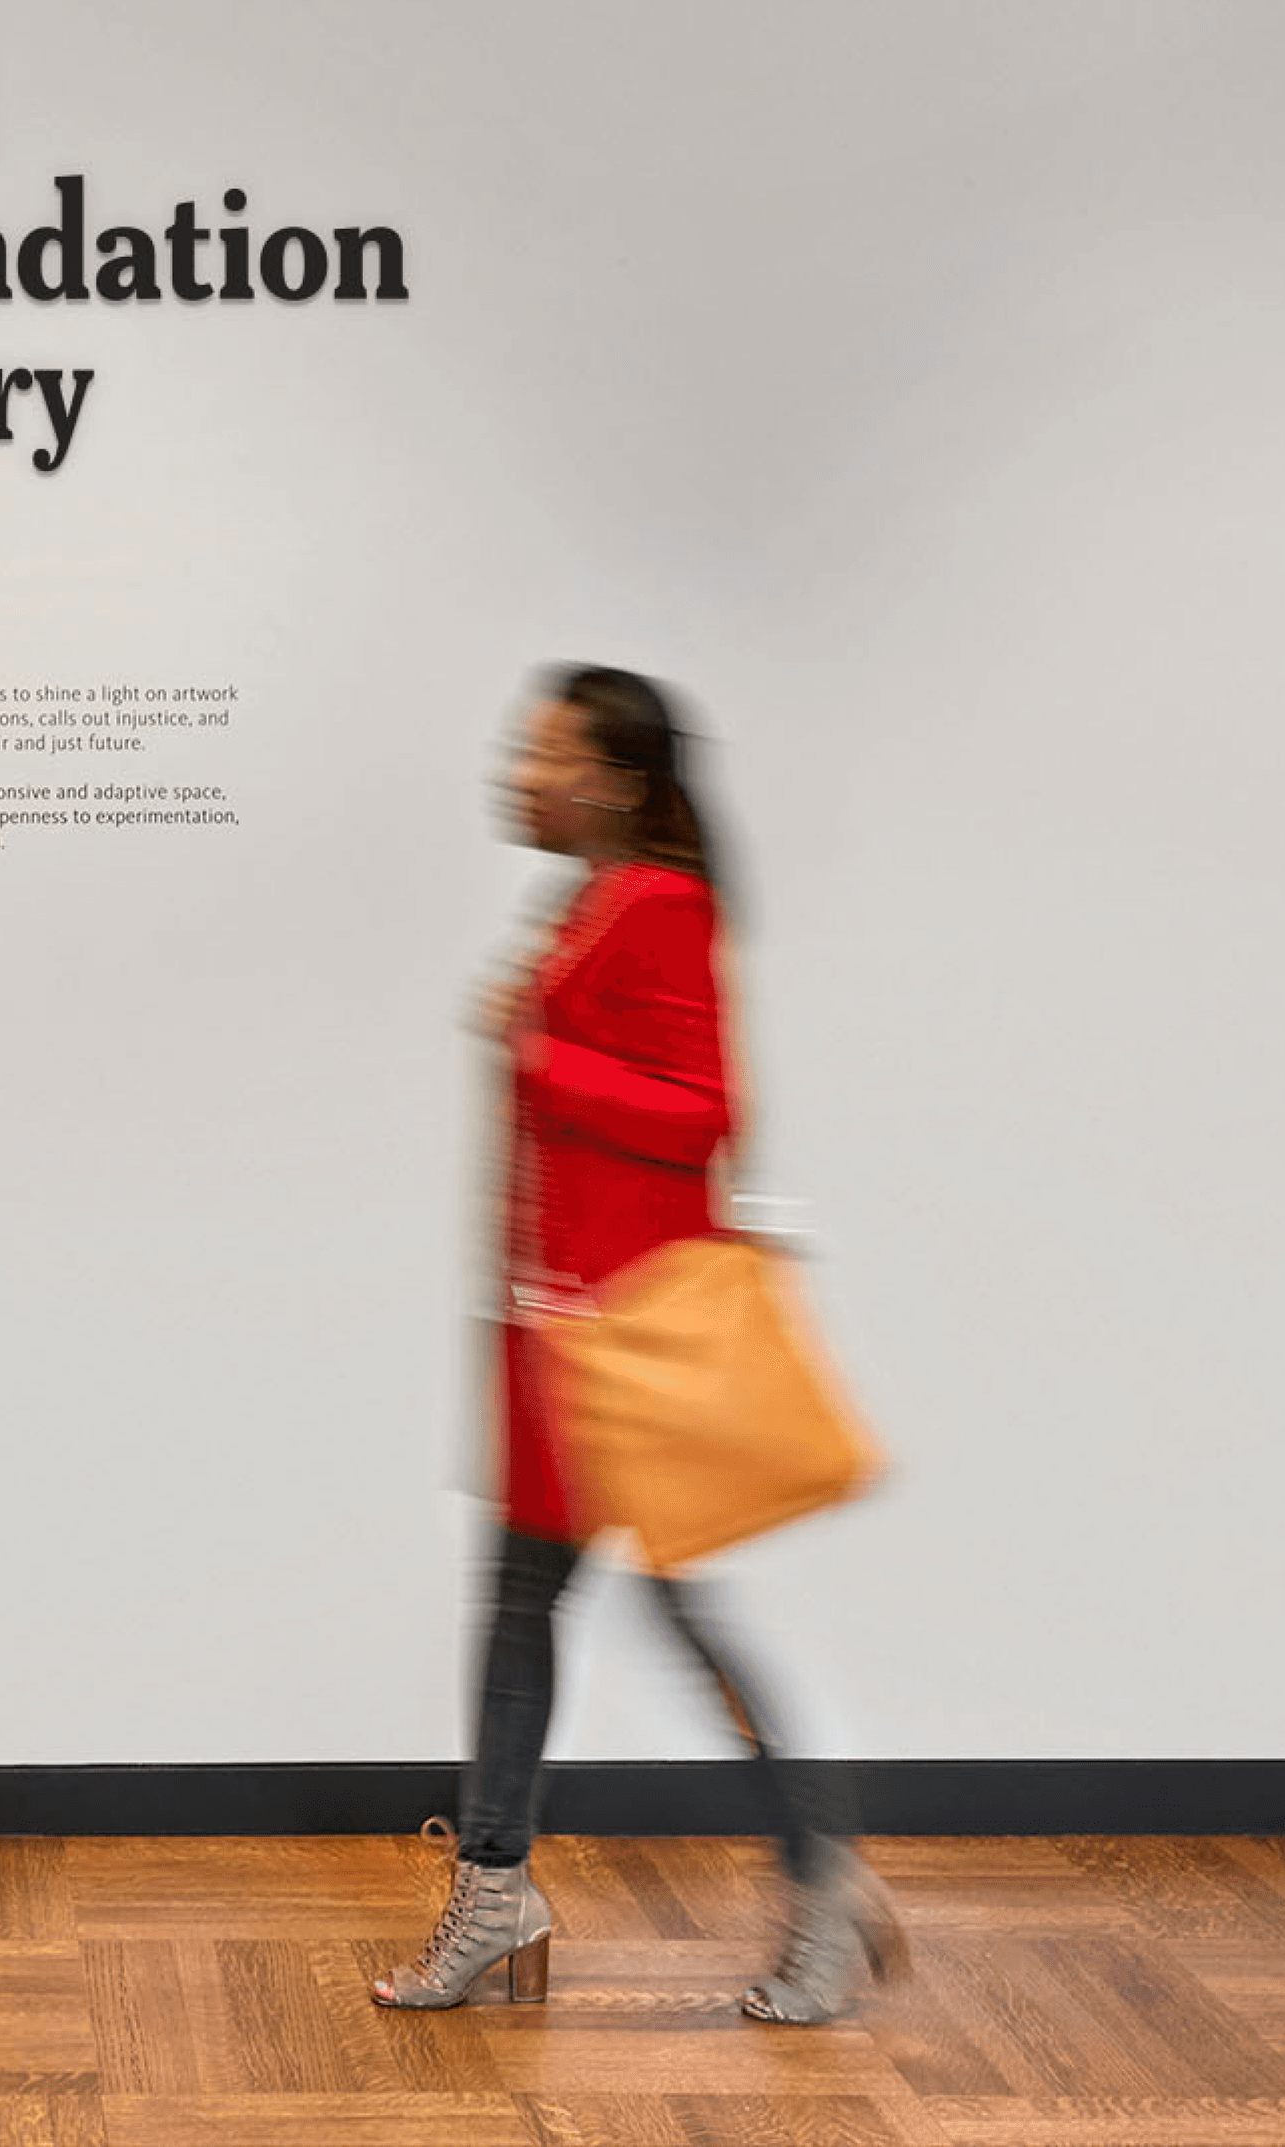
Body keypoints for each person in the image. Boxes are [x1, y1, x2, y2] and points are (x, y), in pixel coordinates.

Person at [371, 663, 902, 2025]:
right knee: (520, 1613)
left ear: (610, 773)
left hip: (627, 1344)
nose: (514, 772)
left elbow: (702, 1114)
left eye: (539, 751)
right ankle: (497, 1890)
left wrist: (536, 1050)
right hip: (561, 1339)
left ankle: (818, 1874)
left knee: (667, 1611)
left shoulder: (663, 903)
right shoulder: (589, 901)